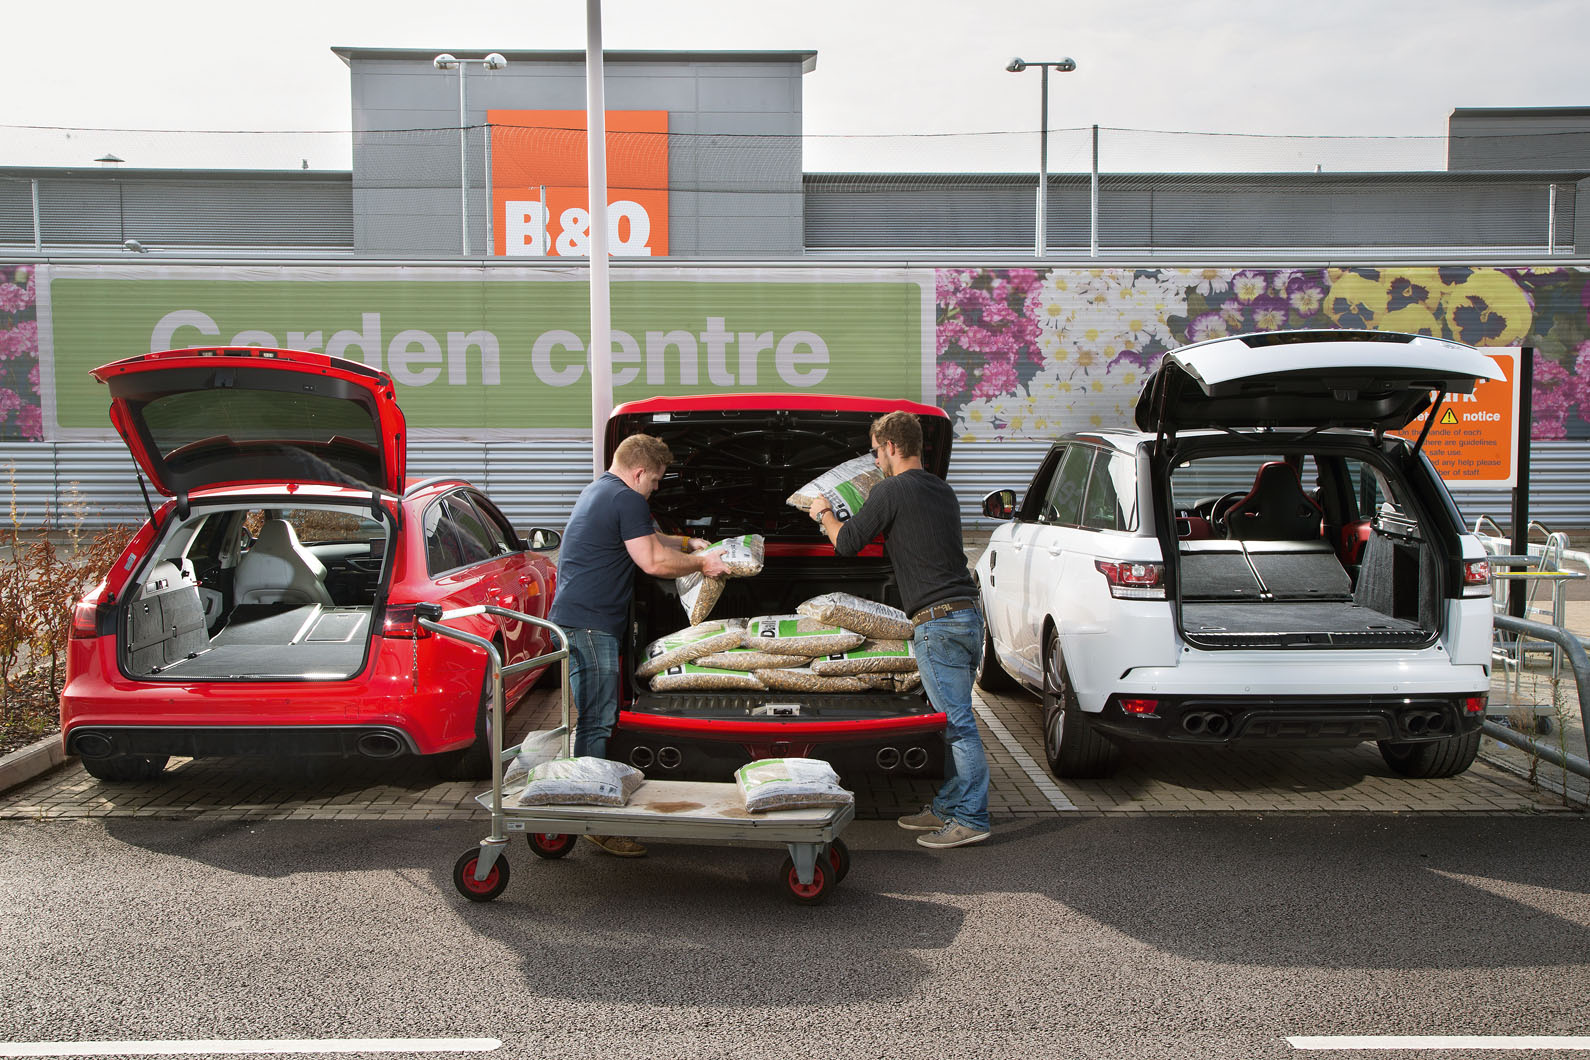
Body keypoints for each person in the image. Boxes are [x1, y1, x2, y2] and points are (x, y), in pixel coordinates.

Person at [808, 411, 990, 849]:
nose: (876, 459)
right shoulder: (942, 490)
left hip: (937, 624)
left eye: (875, 450)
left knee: (959, 724)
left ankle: (972, 818)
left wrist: (823, 514)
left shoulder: (891, 490)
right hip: (966, 615)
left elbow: (847, 543)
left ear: (890, 446)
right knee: (954, 718)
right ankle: (948, 806)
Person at [548, 433, 727, 858]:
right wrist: (704, 563)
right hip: (590, 625)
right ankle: (594, 819)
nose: (656, 489)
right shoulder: (627, 499)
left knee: (596, 716)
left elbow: (648, 539)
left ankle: (591, 805)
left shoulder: (602, 491)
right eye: (656, 481)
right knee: (596, 720)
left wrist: (687, 543)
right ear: (639, 471)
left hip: (582, 619)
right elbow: (651, 561)